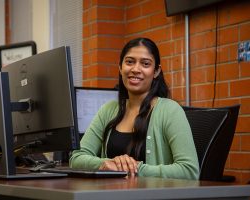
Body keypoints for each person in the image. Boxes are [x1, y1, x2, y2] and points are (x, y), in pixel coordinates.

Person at [70, 37, 199, 180]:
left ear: (156, 71)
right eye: (130, 62)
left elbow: (189, 170)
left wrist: (134, 168)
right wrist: (107, 163)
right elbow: (76, 158)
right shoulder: (108, 110)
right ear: (120, 67)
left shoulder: (170, 111)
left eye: (145, 64)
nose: (136, 69)